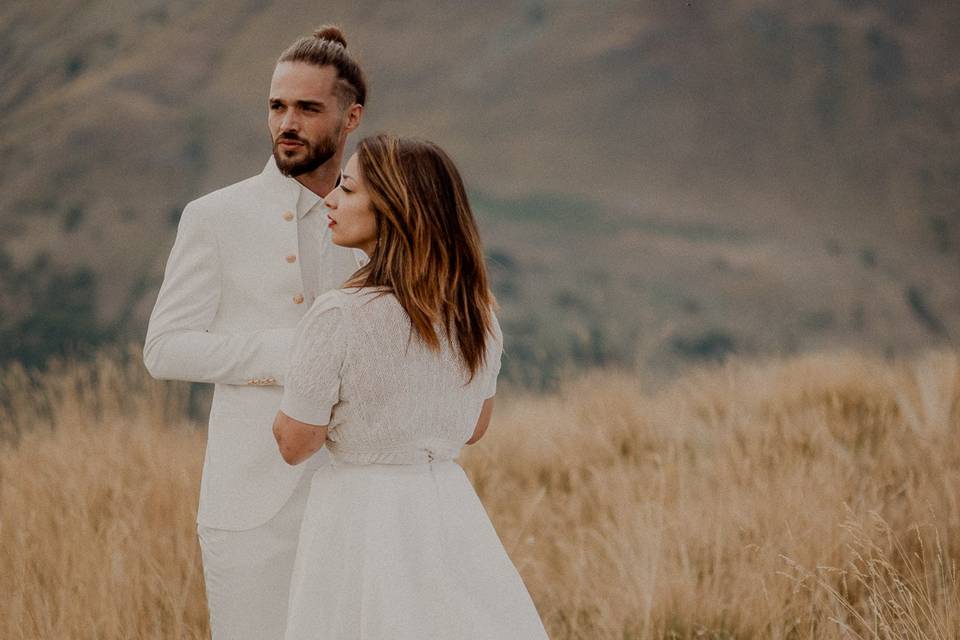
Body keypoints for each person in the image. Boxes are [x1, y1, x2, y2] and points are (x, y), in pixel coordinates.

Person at [272, 134, 550, 639]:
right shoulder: (477, 313)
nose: (330, 199)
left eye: (349, 190)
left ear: (394, 208)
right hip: (446, 507)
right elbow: (473, 429)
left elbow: (294, 444)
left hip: (361, 515)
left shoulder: (340, 313)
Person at [143, 26, 368, 640]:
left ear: (351, 117)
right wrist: (292, 354)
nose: (286, 123)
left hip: (360, 495)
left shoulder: (386, 222)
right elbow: (163, 348)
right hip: (251, 500)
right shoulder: (215, 217)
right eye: (276, 106)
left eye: (306, 108)